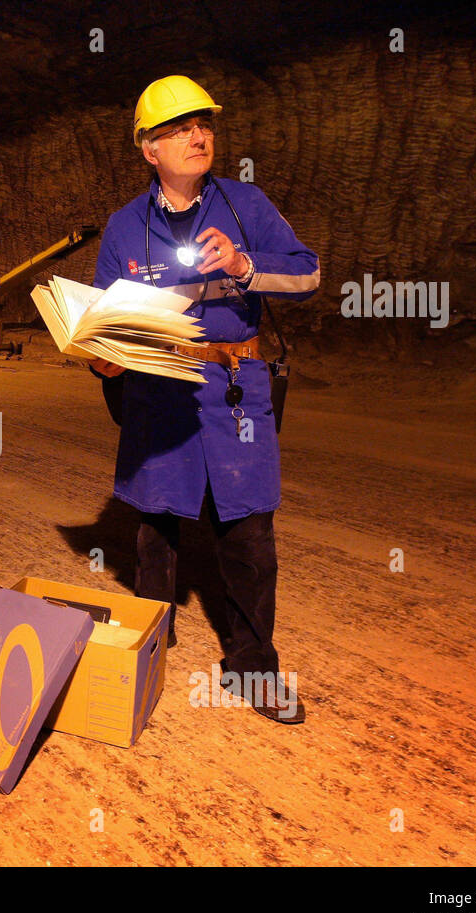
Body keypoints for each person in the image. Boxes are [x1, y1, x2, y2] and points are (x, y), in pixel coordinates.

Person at [89, 76, 320, 724]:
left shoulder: (244, 205)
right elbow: (106, 315)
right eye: (179, 129)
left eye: (204, 125)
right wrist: (103, 356)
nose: (198, 136)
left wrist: (246, 266)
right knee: (156, 529)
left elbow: (308, 271)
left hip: (236, 392)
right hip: (161, 387)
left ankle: (253, 666)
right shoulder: (125, 227)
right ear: (149, 149)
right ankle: (146, 653)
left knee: (248, 529)